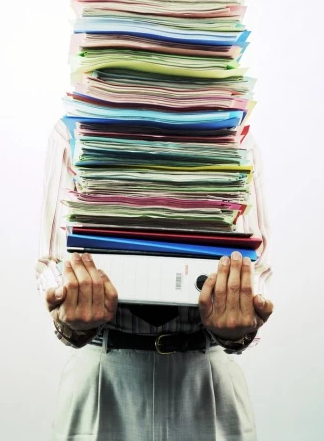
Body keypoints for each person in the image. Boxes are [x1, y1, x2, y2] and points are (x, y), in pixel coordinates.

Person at [36, 120, 274, 441]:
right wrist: (68, 314)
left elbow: (254, 271)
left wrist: (239, 327)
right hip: (102, 377)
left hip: (206, 378)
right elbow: (54, 263)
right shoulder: (73, 132)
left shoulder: (235, 140)